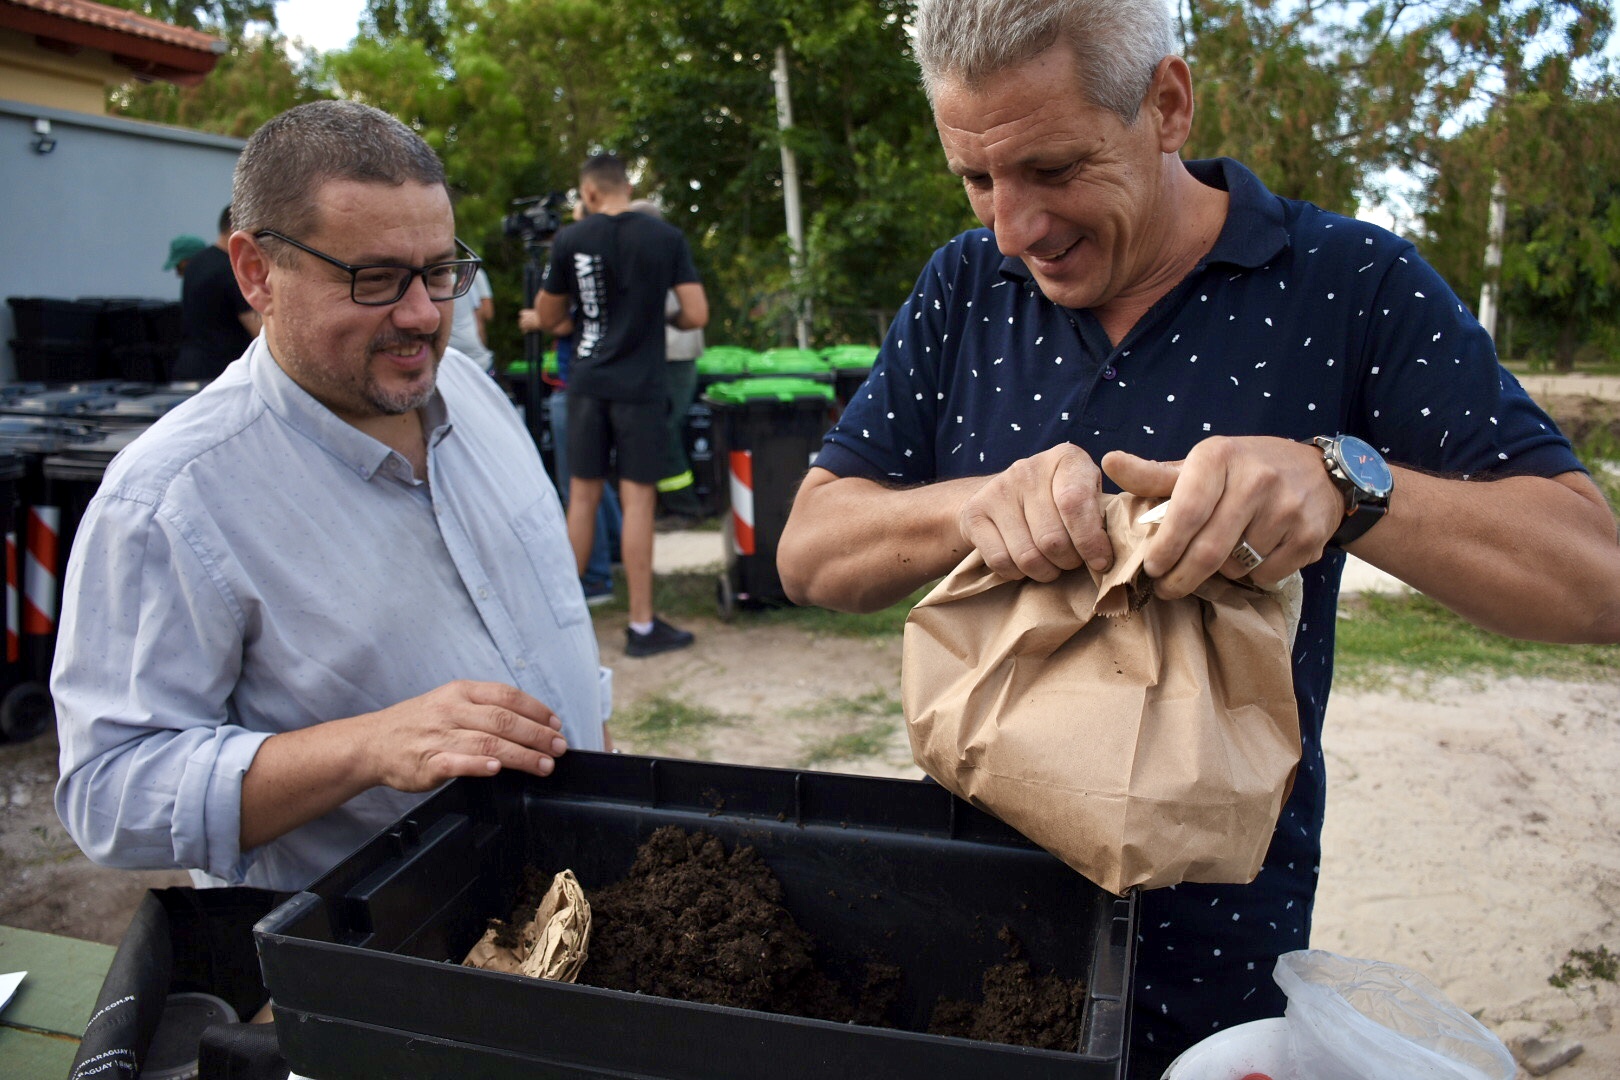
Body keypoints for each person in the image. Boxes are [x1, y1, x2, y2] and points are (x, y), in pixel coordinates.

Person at [776, 0, 1620, 1072]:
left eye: (1053, 168)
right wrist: (968, 504)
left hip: (1223, 931)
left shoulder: (1350, 284)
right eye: (978, 180)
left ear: (1167, 104)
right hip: (974, 929)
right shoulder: (963, 288)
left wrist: (1346, 483)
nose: (1015, 229)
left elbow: (1595, 580)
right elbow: (808, 552)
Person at [54, 100, 607, 895]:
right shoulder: (171, 500)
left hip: (579, 901)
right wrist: (369, 746)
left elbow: (549, 621)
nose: (422, 315)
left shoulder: (474, 397)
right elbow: (109, 794)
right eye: (375, 278)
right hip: (386, 971)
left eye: (441, 270)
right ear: (257, 273)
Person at [532, 154, 710, 657]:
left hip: (586, 382)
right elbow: (695, 313)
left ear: (589, 194)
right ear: (626, 187)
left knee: (582, 498)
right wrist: (660, 320)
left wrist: (579, 315)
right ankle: (641, 625)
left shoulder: (572, 239)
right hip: (642, 386)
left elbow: (548, 315)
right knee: (638, 503)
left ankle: (562, 630)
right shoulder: (666, 238)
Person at [628, 198, 708, 523]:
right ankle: (673, 503)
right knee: (663, 429)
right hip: (671, 356)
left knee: (665, 430)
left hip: (673, 357)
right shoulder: (667, 248)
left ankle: (684, 506)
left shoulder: (656, 253)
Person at [173, 206, 262, 382]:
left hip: (190, 365)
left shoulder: (196, 262)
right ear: (236, 228)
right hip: (222, 372)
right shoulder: (233, 270)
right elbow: (258, 330)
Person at [449, 264, 496, 374]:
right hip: (475, 355)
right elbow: (486, 315)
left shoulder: (426, 279)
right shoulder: (472, 276)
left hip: (448, 358)